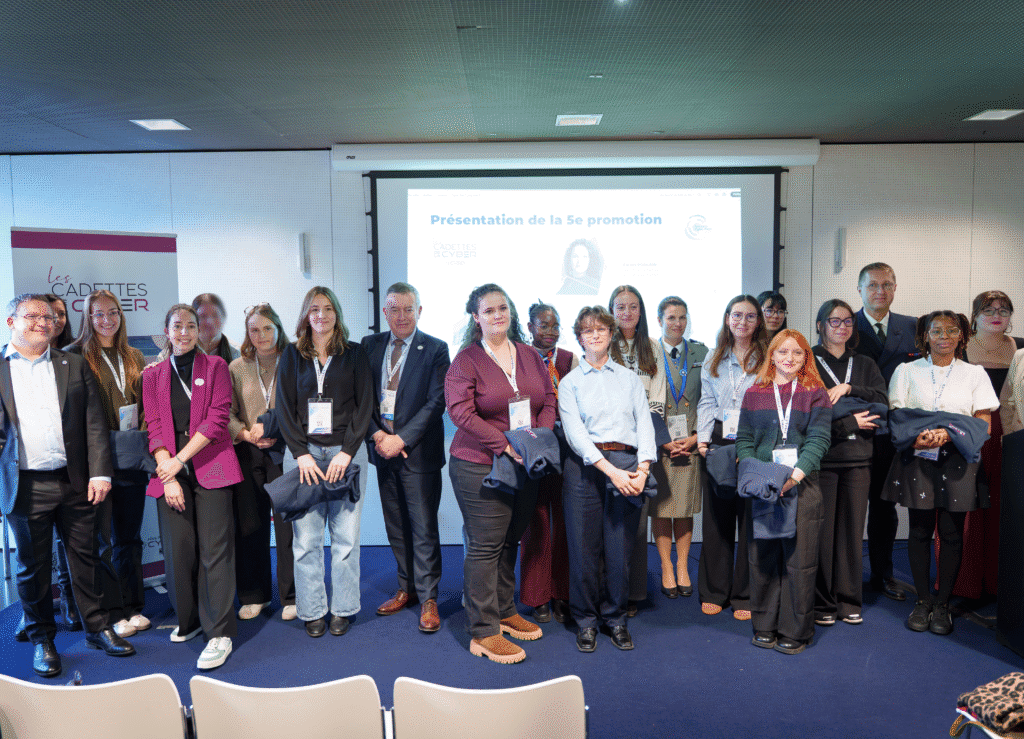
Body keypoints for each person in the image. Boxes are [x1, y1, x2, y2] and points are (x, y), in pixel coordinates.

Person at [1, 293, 135, 678]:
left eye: (48, 317)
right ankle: (43, 639)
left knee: (86, 558)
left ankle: (97, 628)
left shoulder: (73, 364)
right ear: (12, 322)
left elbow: (94, 423)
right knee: (33, 569)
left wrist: (100, 472)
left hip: (76, 482)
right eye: (32, 316)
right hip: (24, 487)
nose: (42, 323)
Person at [445, 283, 556, 664]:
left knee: (511, 541)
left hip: (525, 462)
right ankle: (483, 631)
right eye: (489, 310)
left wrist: (536, 440)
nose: (497, 315)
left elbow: (548, 399)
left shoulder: (528, 354)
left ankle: (505, 611)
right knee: (485, 545)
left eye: (503, 308)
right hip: (479, 464)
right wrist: (507, 445)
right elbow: (460, 413)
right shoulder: (467, 360)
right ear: (476, 317)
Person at [882, 311, 998, 635]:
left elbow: (983, 422)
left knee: (950, 533)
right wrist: (917, 437)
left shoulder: (975, 374)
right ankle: (922, 601)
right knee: (918, 531)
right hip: (917, 455)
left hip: (959, 459)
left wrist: (948, 434)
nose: (944, 336)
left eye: (951, 330)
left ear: (962, 335)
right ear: (926, 336)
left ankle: (943, 603)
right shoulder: (907, 371)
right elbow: (897, 417)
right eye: (937, 331)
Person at [143, 303, 243, 670]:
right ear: (166, 331)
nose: (184, 332)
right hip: (171, 467)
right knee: (179, 550)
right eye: (177, 326)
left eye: (190, 326)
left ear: (199, 331)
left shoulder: (215, 367)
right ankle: (189, 621)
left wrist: (178, 460)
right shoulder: (152, 375)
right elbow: (153, 425)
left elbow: (218, 419)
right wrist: (167, 472)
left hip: (211, 465)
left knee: (214, 551)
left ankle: (219, 633)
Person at [276, 287, 373, 639]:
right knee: (306, 540)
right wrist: (300, 453)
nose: (322, 315)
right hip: (305, 457)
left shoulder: (355, 354)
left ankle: (343, 609)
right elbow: (285, 409)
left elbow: (365, 407)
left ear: (337, 313)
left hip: (346, 453)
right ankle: (313, 610)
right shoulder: (291, 354)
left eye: (328, 308)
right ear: (306, 315)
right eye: (314, 309)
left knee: (346, 539)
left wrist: (348, 451)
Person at [559, 305, 656, 652]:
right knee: (584, 550)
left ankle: (616, 619)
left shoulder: (628, 378)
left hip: (628, 465)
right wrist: (613, 472)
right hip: (585, 471)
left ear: (612, 333)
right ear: (579, 337)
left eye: (601, 329)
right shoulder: (569, 383)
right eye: (587, 330)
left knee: (620, 551)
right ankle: (585, 621)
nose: (595, 335)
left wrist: (642, 469)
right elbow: (575, 434)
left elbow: (644, 424)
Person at [361, 282, 450, 633]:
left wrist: (401, 438)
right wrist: (379, 435)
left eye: (408, 309)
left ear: (419, 311)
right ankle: (407, 588)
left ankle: (429, 598)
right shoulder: (369, 346)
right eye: (394, 309)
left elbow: (436, 403)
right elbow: (361, 397)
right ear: (385, 312)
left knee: (424, 528)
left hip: (418, 454)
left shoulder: (436, 349)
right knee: (395, 525)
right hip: (382, 449)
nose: (401, 315)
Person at [737, 329, 832, 655]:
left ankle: (795, 630)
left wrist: (794, 475)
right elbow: (744, 441)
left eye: (797, 353)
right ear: (772, 356)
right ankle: (764, 625)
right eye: (782, 352)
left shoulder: (815, 393)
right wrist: (758, 474)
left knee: (798, 562)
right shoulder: (754, 393)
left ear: (806, 357)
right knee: (762, 558)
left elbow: (819, 440)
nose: (789, 359)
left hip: (802, 486)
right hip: (764, 486)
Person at [66, 290, 151, 638]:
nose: (106, 320)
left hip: (130, 455)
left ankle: (133, 606)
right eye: (98, 314)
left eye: (112, 313)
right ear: (87, 317)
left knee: (129, 539)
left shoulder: (134, 357)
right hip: (95, 463)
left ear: (121, 315)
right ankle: (113, 611)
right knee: (101, 541)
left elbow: (146, 405)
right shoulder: (74, 357)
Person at [811, 299, 887, 627]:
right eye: (834, 321)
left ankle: (849, 599)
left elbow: (883, 401)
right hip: (823, 458)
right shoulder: (808, 361)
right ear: (820, 325)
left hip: (859, 460)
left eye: (847, 322)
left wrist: (850, 389)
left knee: (852, 532)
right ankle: (824, 601)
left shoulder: (866, 363)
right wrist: (851, 422)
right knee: (823, 533)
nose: (841, 327)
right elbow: (806, 413)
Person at [696, 295, 768, 620]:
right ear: (727, 319)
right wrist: (701, 438)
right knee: (716, 519)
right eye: (737, 315)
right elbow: (707, 403)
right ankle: (714, 591)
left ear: (758, 322)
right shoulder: (715, 357)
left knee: (750, 520)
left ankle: (745, 594)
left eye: (750, 316)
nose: (743, 322)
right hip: (718, 440)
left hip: (753, 442)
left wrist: (754, 447)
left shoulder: (768, 358)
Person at [854, 262, 919, 602]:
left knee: (883, 509)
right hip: (852, 431)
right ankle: (846, 577)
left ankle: (884, 574)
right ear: (860, 289)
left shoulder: (913, 327)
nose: (880, 291)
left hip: (892, 435)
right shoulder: (842, 324)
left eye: (887, 285)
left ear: (895, 288)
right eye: (873, 285)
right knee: (848, 509)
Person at [228, 303, 296, 621]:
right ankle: (254, 595)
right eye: (254, 330)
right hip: (248, 452)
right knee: (251, 526)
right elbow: (225, 413)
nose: (261, 335)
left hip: (285, 452)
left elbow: (301, 407)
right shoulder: (237, 367)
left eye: (268, 328)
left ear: (279, 329)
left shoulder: (294, 362)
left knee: (287, 529)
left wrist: (274, 430)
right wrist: (244, 434)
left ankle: (291, 595)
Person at [956, 291, 1023, 600]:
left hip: (1012, 436)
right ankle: (965, 583)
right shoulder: (959, 348)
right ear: (974, 315)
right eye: (988, 309)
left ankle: (999, 583)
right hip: (972, 434)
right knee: (968, 508)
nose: (997, 314)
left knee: (1003, 509)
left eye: (1004, 309)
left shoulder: (1021, 349)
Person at [518, 300, 577, 623]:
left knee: (565, 522)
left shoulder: (570, 359)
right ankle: (537, 596)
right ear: (530, 328)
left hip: (567, 449)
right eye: (543, 325)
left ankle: (562, 592)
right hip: (533, 447)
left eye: (555, 325)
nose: (550, 332)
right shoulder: (520, 357)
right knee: (536, 522)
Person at [608, 285, 662, 611]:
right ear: (611, 311)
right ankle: (610, 591)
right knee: (610, 526)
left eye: (633, 307)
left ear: (641, 312)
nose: (626, 313)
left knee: (637, 525)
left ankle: (634, 593)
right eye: (620, 307)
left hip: (640, 446)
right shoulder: (602, 346)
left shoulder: (652, 347)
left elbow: (657, 401)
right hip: (610, 447)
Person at [649, 297, 707, 599]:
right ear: (660, 320)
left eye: (682, 317)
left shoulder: (701, 352)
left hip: (689, 442)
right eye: (671, 317)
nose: (677, 323)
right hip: (660, 443)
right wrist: (661, 438)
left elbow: (709, 399)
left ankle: (682, 566)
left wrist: (697, 436)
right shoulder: (649, 352)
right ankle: (666, 568)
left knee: (683, 509)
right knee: (660, 509)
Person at [47, 292, 79, 627]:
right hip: (38, 465)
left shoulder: (73, 356)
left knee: (73, 539)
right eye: (47, 315)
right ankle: (50, 606)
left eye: (60, 314)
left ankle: (72, 598)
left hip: (75, 462)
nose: (55, 321)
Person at [192, 293, 240, 365]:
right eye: (203, 316)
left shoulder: (237, 354)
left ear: (224, 317)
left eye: (215, 315)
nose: (209, 322)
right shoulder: (183, 350)